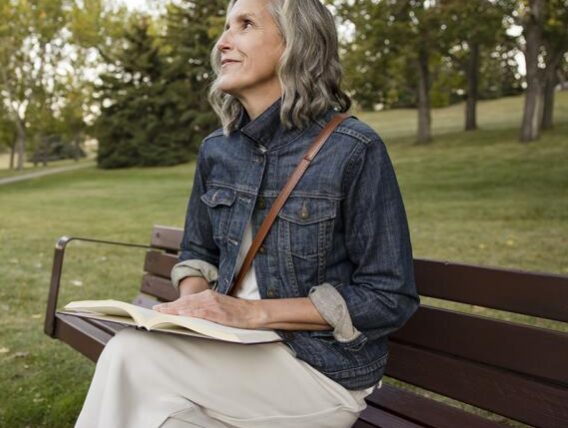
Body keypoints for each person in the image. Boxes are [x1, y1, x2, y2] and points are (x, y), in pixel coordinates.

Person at [75, 0, 419, 426]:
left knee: (131, 355)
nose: (222, 42)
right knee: (159, 416)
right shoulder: (217, 150)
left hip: (320, 369)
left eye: (245, 25)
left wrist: (252, 313)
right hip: (230, 349)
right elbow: (197, 251)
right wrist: (193, 309)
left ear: (296, 44)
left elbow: (390, 296)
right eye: (225, 27)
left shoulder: (353, 149)